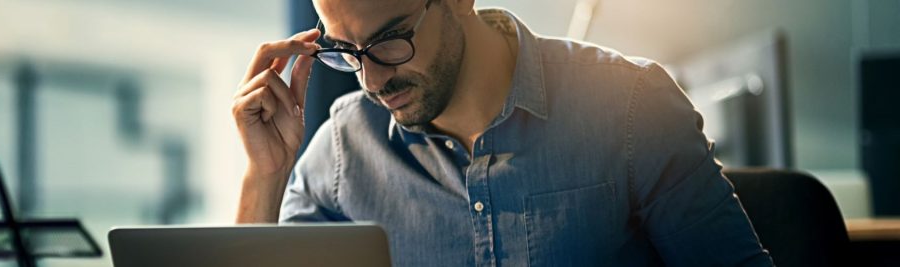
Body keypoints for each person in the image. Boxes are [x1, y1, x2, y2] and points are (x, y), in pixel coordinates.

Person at [231, 0, 774, 265]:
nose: (372, 80)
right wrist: (265, 175)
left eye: (390, 40)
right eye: (347, 53)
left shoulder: (630, 107)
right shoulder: (345, 150)